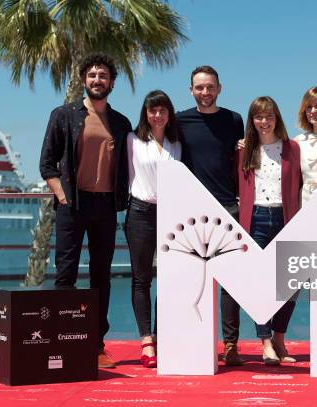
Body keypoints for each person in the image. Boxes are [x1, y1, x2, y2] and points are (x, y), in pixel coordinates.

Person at [39, 53, 131, 369]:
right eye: (92, 75)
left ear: (112, 82)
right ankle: (61, 340)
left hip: (106, 206)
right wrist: (63, 198)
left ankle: (95, 345)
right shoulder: (64, 115)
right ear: (83, 80)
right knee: (65, 274)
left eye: (103, 75)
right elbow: (47, 162)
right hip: (72, 204)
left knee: (100, 277)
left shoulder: (121, 123)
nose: (97, 80)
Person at [177, 65, 245, 365]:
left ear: (219, 88)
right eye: (199, 87)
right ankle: (188, 338)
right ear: (191, 90)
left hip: (229, 205)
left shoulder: (234, 120)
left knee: (231, 283)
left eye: (210, 87)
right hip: (190, 209)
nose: (205, 92)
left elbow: (241, 158)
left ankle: (230, 344)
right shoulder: (179, 121)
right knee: (190, 279)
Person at [237, 97, 301, 365]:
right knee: (258, 283)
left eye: (269, 116)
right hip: (256, 218)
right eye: (259, 117)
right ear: (252, 121)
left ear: (277, 118)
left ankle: (278, 337)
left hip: (286, 218)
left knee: (292, 283)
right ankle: (265, 342)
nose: (264, 122)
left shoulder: (292, 148)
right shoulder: (244, 150)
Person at [126, 90, 181, 368]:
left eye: (162, 110)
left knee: (169, 279)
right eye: (152, 111)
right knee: (141, 278)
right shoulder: (132, 140)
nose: (157, 115)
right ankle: (146, 340)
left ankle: (162, 336)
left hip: (172, 215)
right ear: (145, 114)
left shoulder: (177, 143)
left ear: (169, 113)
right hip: (140, 213)